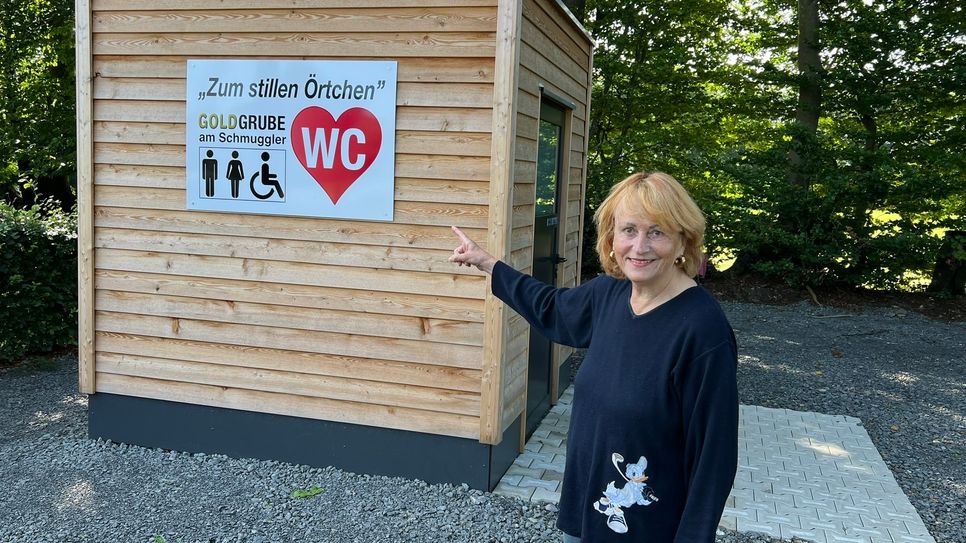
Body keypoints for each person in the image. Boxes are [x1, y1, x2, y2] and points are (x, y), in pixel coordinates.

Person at [450, 171, 738, 542]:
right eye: (629, 230)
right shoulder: (609, 295)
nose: (639, 246)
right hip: (588, 510)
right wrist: (489, 264)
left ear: (683, 241)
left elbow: (713, 456)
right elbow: (551, 307)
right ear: (612, 238)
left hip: (647, 528)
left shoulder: (702, 331)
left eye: (657, 232)